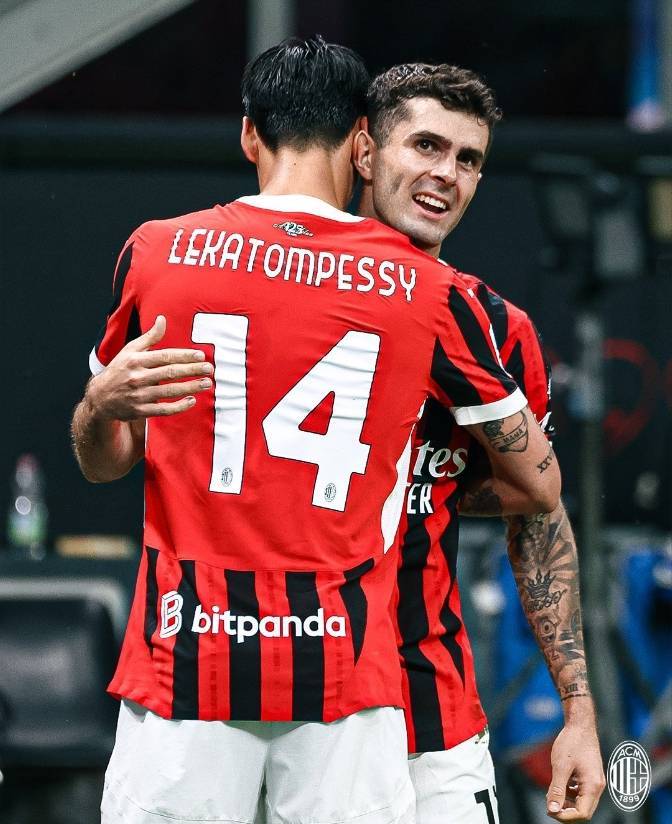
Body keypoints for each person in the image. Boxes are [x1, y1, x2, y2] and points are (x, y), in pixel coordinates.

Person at [70, 39, 559, 824]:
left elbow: (104, 463)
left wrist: (98, 405)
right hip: (344, 666)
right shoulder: (428, 291)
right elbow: (539, 484)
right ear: (363, 143)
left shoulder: (158, 253)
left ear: (248, 133)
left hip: (187, 656)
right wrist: (424, 482)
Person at [353, 63, 606, 823]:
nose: (447, 174)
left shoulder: (500, 328)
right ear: (365, 151)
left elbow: (540, 512)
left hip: (435, 711)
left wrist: (578, 713)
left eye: (469, 159)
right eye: (426, 146)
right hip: (296, 701)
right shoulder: (281, 295)